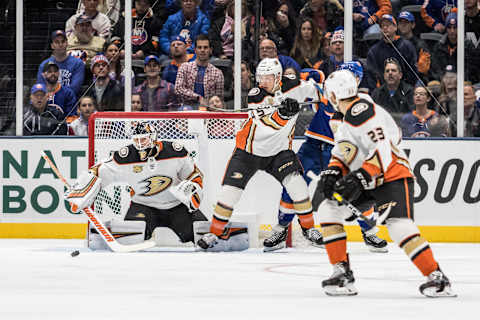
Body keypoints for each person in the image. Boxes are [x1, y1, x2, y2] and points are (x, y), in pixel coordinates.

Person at [315, 69, 456, 298]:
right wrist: (333, 171)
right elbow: (345, 151)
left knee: (399, 226)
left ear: (332, 96)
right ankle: (341, 271)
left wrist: (360, 176)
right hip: (369, 178)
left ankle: (437, 277)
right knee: (328, 209)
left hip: (391, 174)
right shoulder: (347, 117)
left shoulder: (361, 110)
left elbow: (383, 150)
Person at [196, 57, 322, 250]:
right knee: (230, 194)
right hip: (248, 151)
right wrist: (284, 114)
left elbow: (320, 89)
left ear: (278, 76)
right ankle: (215, 233)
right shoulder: (256, 95)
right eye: (260, 77)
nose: (262, 81)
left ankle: (309, 229)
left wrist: (318, 79)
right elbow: (267, 124)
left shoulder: (294, 86)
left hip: (279, 152)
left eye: (267, 77)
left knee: (298, 186)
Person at [264, 62, 388, 253]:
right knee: (293, 184)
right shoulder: (323, 88)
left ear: (357, 79)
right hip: (313, 146)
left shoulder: (363, 101)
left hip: (342, 151)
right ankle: (281, 228)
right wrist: (287, 94)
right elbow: (296, 80)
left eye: (350, 75)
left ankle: (369, 231)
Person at [64, 121, 211, 247]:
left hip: (176, 206)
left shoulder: (174, 151)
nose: (140, 144)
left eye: (144, 139)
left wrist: (193, 190)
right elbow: (99, 171)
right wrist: (82, 189)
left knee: (205, 237)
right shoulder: (126, 155)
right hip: (142, 206)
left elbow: (194, 175)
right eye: (136, 140)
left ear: (153, 138)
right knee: (130, 240)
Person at [365, 14, 418, 88]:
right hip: (383, 91)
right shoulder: (374, 50)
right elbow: (371, 74)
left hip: (405, 89)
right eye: (382, 26)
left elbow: (413, 72)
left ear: (395, 27)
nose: (385, 28)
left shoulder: (407, 46)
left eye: (388, 25)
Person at [175, 34, 224, 108]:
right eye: (199, 47)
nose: (202, 50)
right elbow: (178, 89)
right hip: (185, 110)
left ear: (210, 50)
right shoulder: (184, 67)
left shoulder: (217, 73)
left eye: (205, 47)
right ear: (195, 50)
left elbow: (218, 98)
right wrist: (198, 98)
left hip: (208, 112)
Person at [37, 30, 85, 96]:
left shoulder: (78, 64)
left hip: (69, 102)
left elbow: (74, 89)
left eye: (63, 41)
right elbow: (41, 89)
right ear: (52, 45)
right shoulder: (44, 65)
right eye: (57, 42)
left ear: (67, 43)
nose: (60, 45)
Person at [396, 11, 432, 81]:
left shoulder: (420, 44)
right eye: (401, 23)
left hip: (416, 79)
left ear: (413, 25)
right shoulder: (394, 43)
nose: (403, 25)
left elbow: (423, 70)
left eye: (406, 22)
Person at [431, 13, 457, 81]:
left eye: (455, 27)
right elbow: (436, 68)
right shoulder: (438, 46)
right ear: (446, 28)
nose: (452, 31)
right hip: (443, 81)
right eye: (449, 27)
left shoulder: (467, 45)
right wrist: (443, 79)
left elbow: (470, 69)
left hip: (462, 81)